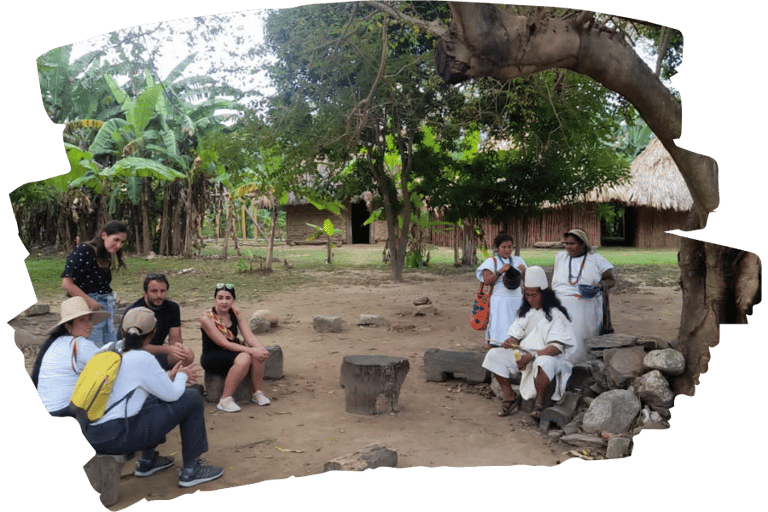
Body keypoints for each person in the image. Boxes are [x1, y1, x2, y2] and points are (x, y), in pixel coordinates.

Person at [81, 307, 224, 488]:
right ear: (153, 334)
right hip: (118, 436)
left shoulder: (106, 349)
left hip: (92, 433)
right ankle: (190, 470)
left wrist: (169, 377)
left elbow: (132, 386)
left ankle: (148, 461)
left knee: (150, 399)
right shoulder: (142, 357)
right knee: (193, 398)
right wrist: (182, 376)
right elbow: (172, 395)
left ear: (122, 331)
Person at [482, 266, 575, 419]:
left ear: (543, 294)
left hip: (548, 358)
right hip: (525, 355)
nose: (530, 299)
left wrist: (531, 356)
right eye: (527, 295)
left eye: (533, 295)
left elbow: (556, 347)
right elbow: (515, 335)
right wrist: (510, 342)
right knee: (493, 355)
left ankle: (540, 403)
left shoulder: (557, 315)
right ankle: (509, 396)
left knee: (543, 362)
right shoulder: (525, 312)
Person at [30, 296, 111, 417]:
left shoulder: (54, 344)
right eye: (81, 320)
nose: (89, 324)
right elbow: (111, 365)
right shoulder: (80, 344)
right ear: (68, 326)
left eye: (89, 319)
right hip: (64, 411)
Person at [200, 283, 270, 413]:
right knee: (246, 356)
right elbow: (224, 344)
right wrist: (251, 350)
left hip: (232, 351)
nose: (224, 302)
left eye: (228, 298)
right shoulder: (207, 318)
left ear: (233, 300)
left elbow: (249, 337)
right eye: (220, 298)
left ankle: (257, 392)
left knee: (257, 353)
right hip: (213, 355)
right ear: (215, 299)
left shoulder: (236, 313)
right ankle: (225, 399)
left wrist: (261, 349)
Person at [551, 228, 615, 362]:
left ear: (583, 244)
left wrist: (600, 286)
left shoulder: (597, 259)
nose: (568, 247)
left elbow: (611, 280)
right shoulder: (560, 257)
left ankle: (581, 364)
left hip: (586, 302)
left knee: (580, 339)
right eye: (566, 243)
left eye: (572, 244)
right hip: (560, 302)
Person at [61, 220, 128, 347]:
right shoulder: (83, 251)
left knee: (108, 351)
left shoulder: (105, 255)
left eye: (122, 242)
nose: (119, 245)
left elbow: (98, 283)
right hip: (89, 310)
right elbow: (66, 284)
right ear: (104, 235)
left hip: (105, 308)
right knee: (93, 351)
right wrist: (92, 303)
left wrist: (111, 295)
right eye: (116, 240)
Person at [125, 273, 194, 371]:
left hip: (156, 354)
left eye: (163, 291)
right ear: (145, 293)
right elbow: (134, 346)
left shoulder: (172, 308)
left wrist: (177, 348)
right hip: (134, 358)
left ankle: (174, 379)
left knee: (187, 354)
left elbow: (175, 338)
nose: (159, 296)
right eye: (154, 291)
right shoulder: (135, 311)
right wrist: (168, 349)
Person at [475, 232, 527, 348]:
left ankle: (514, 347)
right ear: (497, 248)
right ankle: (494, 348)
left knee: (516, 326)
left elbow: (528, 282)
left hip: (517, 300)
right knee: (498, 328)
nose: (507, 250)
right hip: (499, 302)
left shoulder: (518, 261)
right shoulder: (491, 262)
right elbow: (487, 280)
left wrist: (524, 272)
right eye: (504, 247)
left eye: (509, 247)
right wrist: (500, 271)